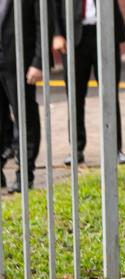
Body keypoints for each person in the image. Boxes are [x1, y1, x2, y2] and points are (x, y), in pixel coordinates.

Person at [53, 0, 125, 165]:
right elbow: (53, 4)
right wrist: (57, 34)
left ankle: (115, 149)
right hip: (73, 36)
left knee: (110, 95)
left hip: (105, 31)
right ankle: (76, 149)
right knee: (74, 96)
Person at [0, 0, 60, 193]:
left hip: (20, 62)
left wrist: (39, 62)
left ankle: (25, 173)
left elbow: (43, 23)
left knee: (25, 117)